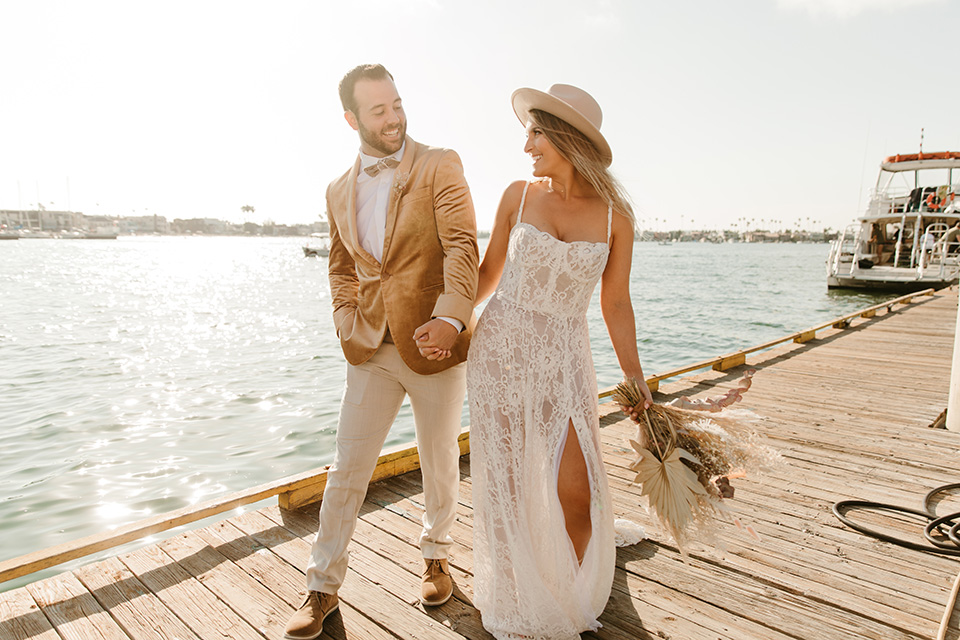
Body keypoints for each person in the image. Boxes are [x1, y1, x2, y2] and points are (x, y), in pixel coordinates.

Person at [284, 64, 479, 640]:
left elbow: (462, 246)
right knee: (347, 469)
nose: (394, 117)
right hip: (369, 346)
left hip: (435, 344)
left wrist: (451, 316)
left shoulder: (441, 163)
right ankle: (321, 588)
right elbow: (341, 267)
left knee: (439, 456)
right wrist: (346, 322)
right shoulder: (337, 189)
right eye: (379, 110)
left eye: (397, 104)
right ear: (352, 119)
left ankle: (437, 556)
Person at [466, 84, 653, 640]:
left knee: (578, 490)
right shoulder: (517, 197)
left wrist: (635, 376)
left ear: (568, 138)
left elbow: (615, 300)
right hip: (500, 349)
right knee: (507, 482)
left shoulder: (616, 215)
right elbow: (486, 275)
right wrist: (447, 320)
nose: (526, 146)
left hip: (565, 357)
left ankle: (565, 600)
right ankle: (518, 595)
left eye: (536, 133)